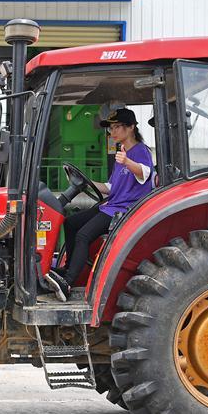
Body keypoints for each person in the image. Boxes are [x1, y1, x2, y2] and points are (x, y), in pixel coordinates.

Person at [47, 108, 154, 301]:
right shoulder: (122, 154)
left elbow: (145, 174)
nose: (112, 132)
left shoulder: (139, 151)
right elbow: (110, 187)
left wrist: (128, 161)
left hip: (124, 210)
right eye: (110, 128)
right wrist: (84, 181)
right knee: (70, 223)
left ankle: (69, 282)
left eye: (117, 127)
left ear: (131, 128)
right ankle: (66, 269)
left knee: (83, 235)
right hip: (111, 203)